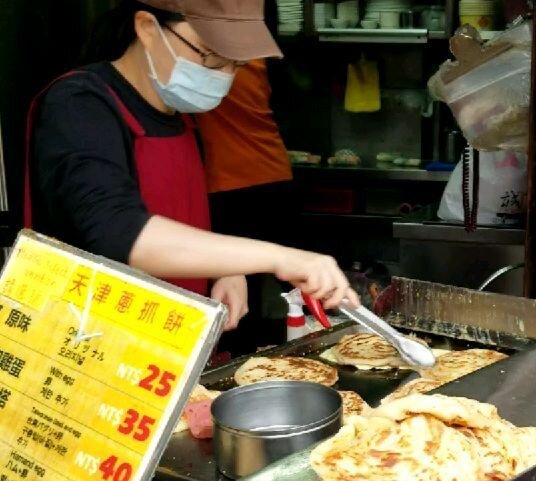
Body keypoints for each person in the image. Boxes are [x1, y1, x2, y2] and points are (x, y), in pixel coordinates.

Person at [26, 0, 357, 335]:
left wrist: (226, 269)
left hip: (168, 342)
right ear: (148, 29)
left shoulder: (183, 117)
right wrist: (281, 257)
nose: (225, 75)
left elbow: (183, 215)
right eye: (211, 54)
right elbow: (119, 231)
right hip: (88, 345)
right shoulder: (80, 105)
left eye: (236, 62)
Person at [195, 0, 297, 352]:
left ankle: (237, 364)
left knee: (237, 300)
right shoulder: (256, 57)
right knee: (272, 293)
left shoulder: (213, 61)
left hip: (231, 183)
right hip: (273, 174)